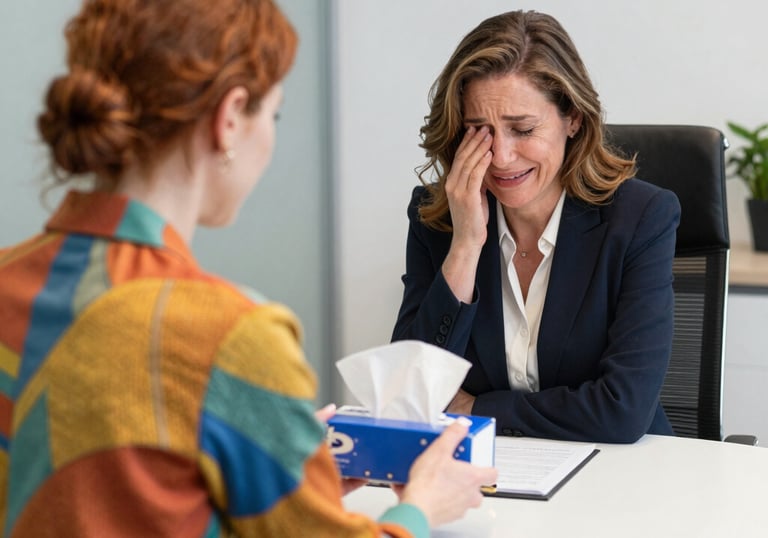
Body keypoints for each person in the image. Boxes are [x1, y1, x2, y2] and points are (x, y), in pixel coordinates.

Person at [0, 1, 497, 537]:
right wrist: (419, 507)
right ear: (230, 117)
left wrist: (276, 464)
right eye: (273, 114)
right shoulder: (231, 336)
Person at [392, 10, 681, 444]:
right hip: (485, 478)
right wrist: (467, 245)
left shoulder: (641, 218)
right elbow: (411, 393)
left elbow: (622, 409)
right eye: (479, 130)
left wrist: (479, 409)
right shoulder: (438, 219)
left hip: (622, 477)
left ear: (573, 119)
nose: (503, 156)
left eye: (522, 129)